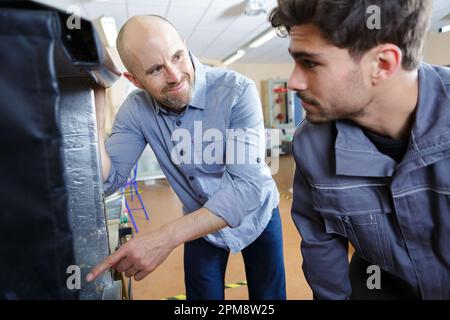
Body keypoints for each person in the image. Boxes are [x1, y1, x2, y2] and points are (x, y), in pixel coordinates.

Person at [86, 15, 286, 300]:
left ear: (185, 45)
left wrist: (164, 238)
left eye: (178, 56)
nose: (175, 75)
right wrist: (96, 106)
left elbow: (245, 190)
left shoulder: (237, 91)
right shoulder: (136, 110)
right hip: (200, 222)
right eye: (156, 70)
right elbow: (109, 180)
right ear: (135, 80)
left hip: (259, 214)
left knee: (268, 298)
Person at [270, 0, 450, 299]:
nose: (294, 81)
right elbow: (321, 247)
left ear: (382, 64)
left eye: (310, 63)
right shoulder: (312, 144)